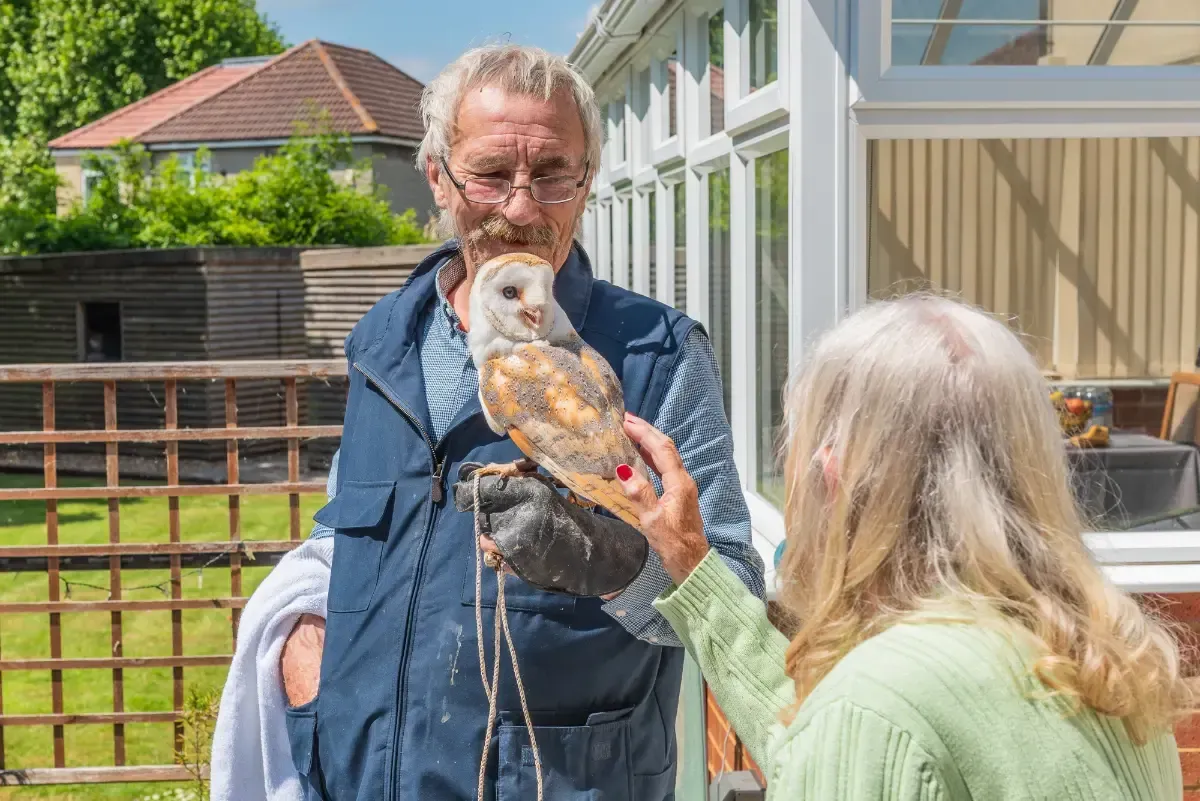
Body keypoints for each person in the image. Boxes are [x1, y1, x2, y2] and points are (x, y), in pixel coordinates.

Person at [210, 43, 764, 801]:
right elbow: (346, 534)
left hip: (558, 780)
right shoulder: (385, 343)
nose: (523, 208)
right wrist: (304, 657)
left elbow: (733, 594)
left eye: (553, 175)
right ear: (438, 176)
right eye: (492, 174)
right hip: (360, 776)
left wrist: (617, 566)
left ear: (588, 180)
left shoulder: (654, 356)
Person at [614, 295, 1193, 799]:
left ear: (834, 476)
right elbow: (826, 747)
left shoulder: (876, 708)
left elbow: (862, 735)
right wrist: (694, 565)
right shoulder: (1104, 664)